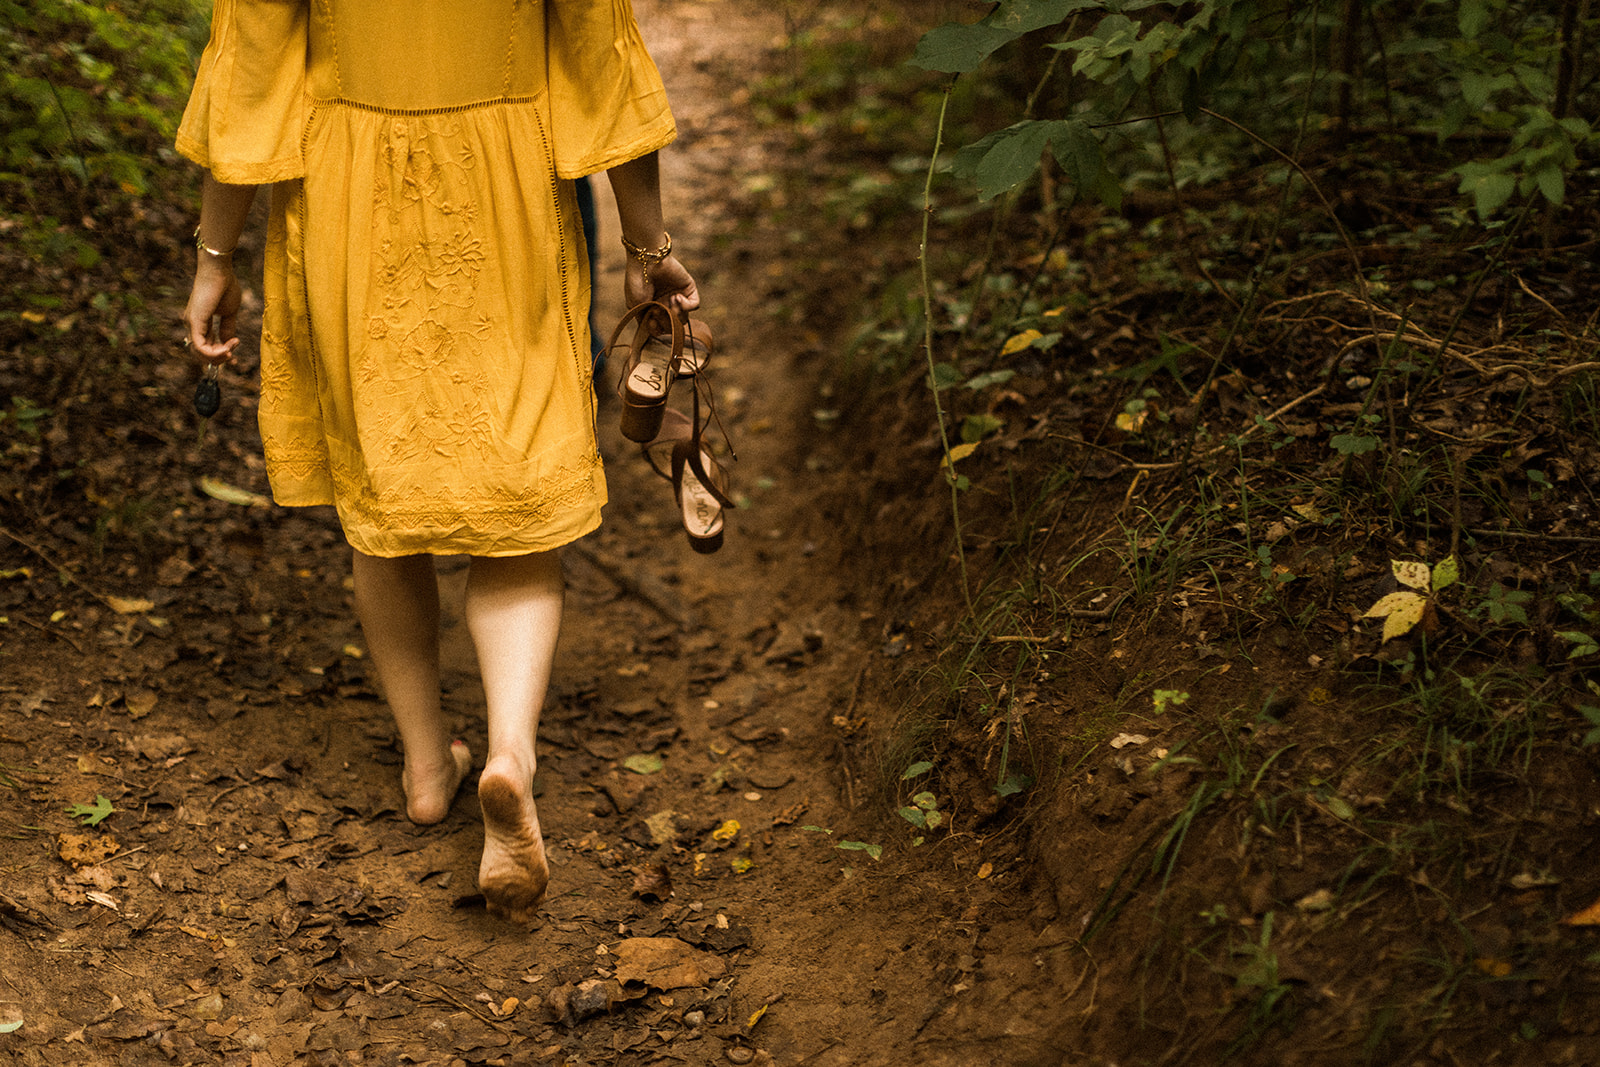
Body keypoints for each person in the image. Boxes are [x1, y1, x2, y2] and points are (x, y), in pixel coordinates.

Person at [178, 0, 698, 925]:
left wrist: (215, 254)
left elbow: (251, 67)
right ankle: (508, 754)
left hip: (346, 193)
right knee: (520, 489)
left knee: (383, 489)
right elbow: (597, 55)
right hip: (506, 191)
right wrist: (646, 243)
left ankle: (427, 764)